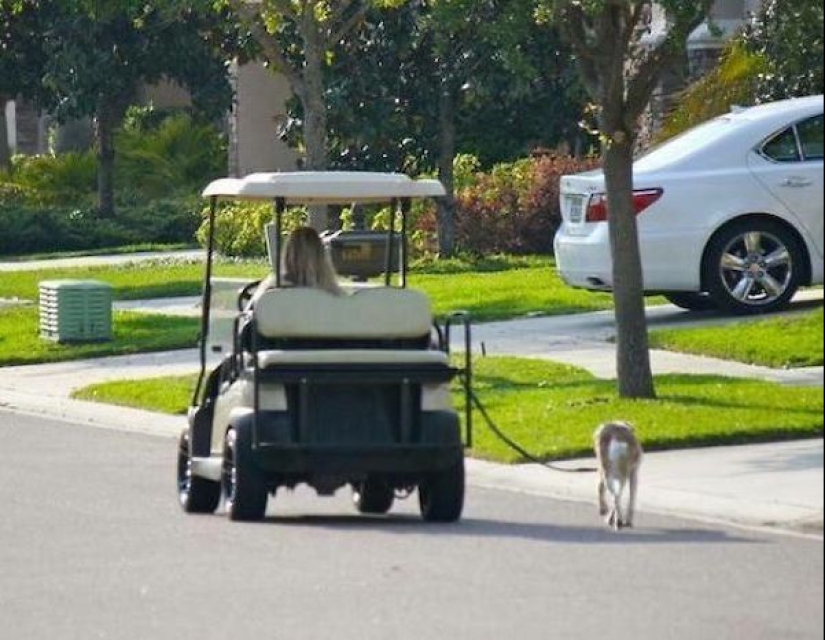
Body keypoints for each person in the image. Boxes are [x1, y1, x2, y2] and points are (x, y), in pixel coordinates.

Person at [248, 226, 343, 309]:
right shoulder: (334, 295)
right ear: (321, 256)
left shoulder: (271, 290)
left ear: (288, 255)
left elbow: (249, 315)